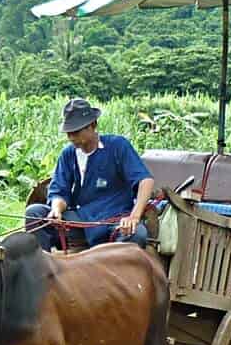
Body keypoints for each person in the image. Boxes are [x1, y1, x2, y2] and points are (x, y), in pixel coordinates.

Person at [23, 98, 154, 250]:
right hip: (80, 221)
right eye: (69, 133)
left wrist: (134, 217)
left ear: (93, 125)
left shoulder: (118, 146)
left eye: (76, 132)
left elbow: (145, 181)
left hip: (114, 221)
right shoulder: (68, 154)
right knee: (34, 213)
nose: (71, 137)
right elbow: (60, 190)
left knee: (136, 234)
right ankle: (43, 268)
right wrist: (56, 209)